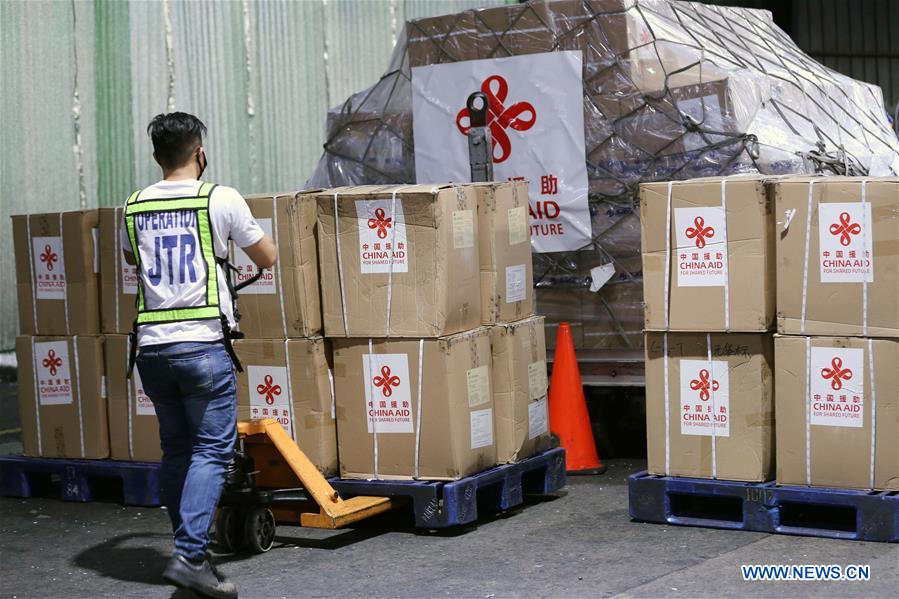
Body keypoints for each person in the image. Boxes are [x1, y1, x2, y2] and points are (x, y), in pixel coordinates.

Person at [122, 112, 276, 599]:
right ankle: (190, 556)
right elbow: (267, 257)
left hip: (151, 349)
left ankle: (192, 553)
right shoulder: (220, 198)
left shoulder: (132, 205)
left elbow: (133, 258)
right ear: (200, 153)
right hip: (203, 345)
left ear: (156, 157)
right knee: (211, 450)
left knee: (177, 451)